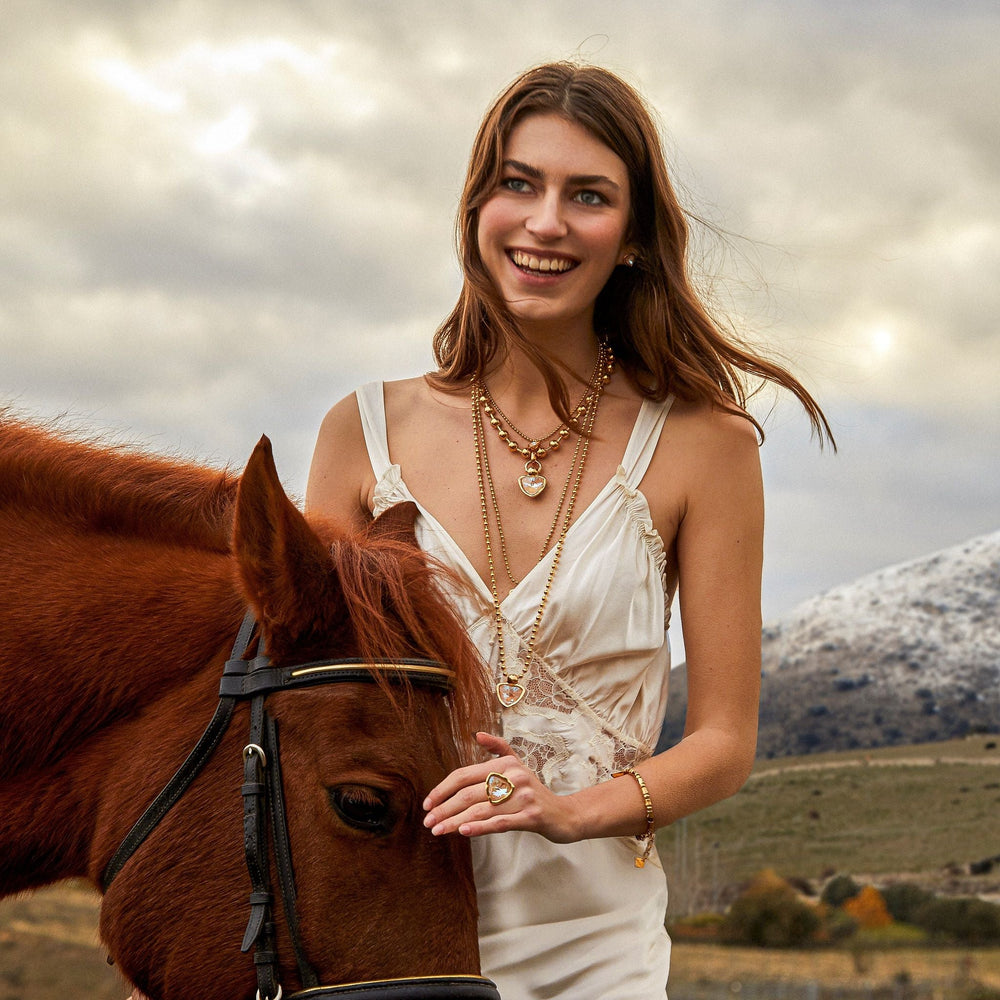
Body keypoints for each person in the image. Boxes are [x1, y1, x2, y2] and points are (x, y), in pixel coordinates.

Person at [311, 62, 834, 1000]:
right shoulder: (360, 433)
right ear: (477, 208)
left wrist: (572, 811)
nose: (545, 222)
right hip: (386, 946)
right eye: (519, 183)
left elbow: (723, 740)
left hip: (597, 950)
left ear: (631, 238)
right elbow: (299, 712)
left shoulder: (705, 447)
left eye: (587, 196)